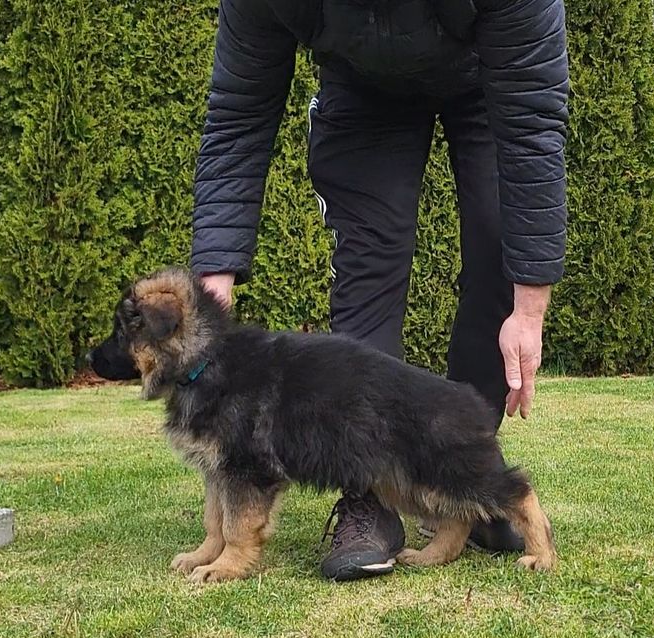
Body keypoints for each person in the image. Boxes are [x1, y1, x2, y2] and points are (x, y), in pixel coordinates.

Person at [190, 0, 569, 582]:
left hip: (486, 79)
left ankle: (466, 481)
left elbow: (533, 124)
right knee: (366, 271)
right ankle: (369, 499)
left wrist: (529, 309)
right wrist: (213, 276)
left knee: (499, 243)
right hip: (362, 88)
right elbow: (239, 113)